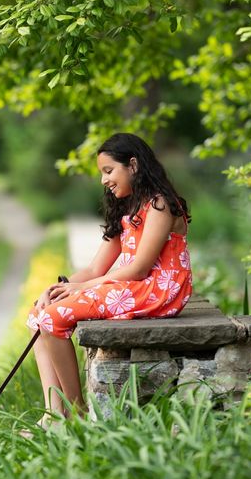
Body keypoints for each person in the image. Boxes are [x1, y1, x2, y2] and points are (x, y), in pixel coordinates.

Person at [26, 132, 192, 430]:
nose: (104, 180)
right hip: (132, 288)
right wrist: (53, 289)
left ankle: (75, 413)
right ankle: (55, 412)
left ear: (133, 165)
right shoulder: (129, 209)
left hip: (158, 290)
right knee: (40, 313)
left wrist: (82, 289)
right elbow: (93, 270)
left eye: (108, 171)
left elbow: (140, 268)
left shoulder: (159, 206)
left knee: (54, 318)